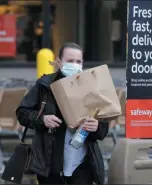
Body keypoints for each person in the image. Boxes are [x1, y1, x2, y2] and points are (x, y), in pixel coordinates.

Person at [16, 42, 109, 185]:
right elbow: (22, 112)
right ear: (59, 62)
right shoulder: (45, 85)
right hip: (50, 163)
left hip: (81, 162)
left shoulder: (90, 86)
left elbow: (103, 126)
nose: (75, 65)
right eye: (70, 61)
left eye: (78, 61)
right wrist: (42, 119)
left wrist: (97, 126)